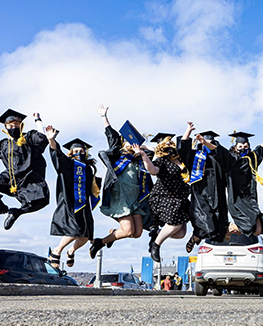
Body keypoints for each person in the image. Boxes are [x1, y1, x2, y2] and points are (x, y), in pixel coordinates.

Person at [89, 105, 152, 258]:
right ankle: (100, 242)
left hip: (135, 198)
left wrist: (140, 149)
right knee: (128, 231)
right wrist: (104, 117)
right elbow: (111, 136)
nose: (131, 145)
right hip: (121, 196)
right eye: (129, 142)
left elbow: (153, 151)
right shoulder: (118, 154)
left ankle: (112, 235)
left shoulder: (139, 157)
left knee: (137, 233)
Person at [0, 109, 50, 230]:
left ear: (21, 125)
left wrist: (38, 121)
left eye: (16, 125)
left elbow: (42, 139)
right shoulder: (5, 144)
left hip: (29, 181)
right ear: (6, 127)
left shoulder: (29, 138)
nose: (14, 127)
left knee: (41, 201)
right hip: (10, 180)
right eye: (10, 125)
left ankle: (16, 212)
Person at [195, 131, 263, 237]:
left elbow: (259, 149)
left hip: (251, 198)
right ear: (235, 147)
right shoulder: (232, 159)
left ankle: (233, 228)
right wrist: (204, 142)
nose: (243, 148)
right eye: (240, 146)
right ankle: (231, 227)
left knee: (258, 230)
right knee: (250, 227)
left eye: (246, 146)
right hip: (237, 198)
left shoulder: (252, 158)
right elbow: (217, 150)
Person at [45, 124, 100, 268]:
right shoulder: (68, 164)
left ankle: (71, 250)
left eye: (81, 150)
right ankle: (57, 251)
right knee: (74, 230)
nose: (78, 153)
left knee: (86, 236)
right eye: (75, 150)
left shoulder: (88, 168)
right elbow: (57, 154)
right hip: (70, 202)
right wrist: (52, 140)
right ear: (71, 152)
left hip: (84, 204)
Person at [135, 132, 191, 262]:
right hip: (165, 197)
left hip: (180, 197)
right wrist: (143, 154)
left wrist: (188, 130)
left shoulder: (180, 158)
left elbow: (182, 143)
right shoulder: (161, 161)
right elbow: (152, 170)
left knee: (181, 234)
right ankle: (156, 245)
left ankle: (157, 234)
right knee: (174, 225)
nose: (169, 146)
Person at [177, 123, 229, 252]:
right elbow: (183, 150)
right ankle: (197, 235)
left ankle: (197, 236)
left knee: (218, 227)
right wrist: (188, 131)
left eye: (209, 142)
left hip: (218, 190)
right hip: (200, 191)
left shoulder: (219, 155)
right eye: (204, 141)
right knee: (203, 218)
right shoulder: (196, 155)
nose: (206, 143)